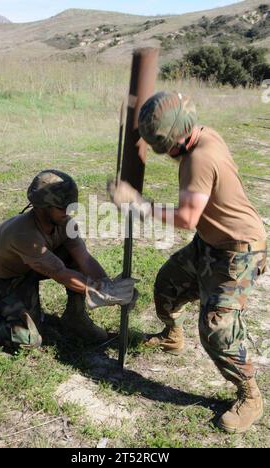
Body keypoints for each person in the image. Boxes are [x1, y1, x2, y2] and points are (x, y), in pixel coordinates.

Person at [109, 91, 267, 434]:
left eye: (161, 146)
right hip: (209, 243)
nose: (162, 153)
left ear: (176, 140)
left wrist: (137, 204)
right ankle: (171, 336)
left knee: (216, 329)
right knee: (168, 285)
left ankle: (250, 395)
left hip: (237, 252)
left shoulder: (199, 158)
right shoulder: (202, 135)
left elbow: (186, 217)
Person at [0, 169, 136, 349]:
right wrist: (102, 292)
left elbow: (84, 259)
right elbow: (60, 273)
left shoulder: (65, 223)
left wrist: (109, 285)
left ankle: (76, 318)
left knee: (71, 256)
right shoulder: (25, 234)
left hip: (30, 267)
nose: (69, 211)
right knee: (27, 339)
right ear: (42, 207)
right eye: (62, 207)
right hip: (0, 280)